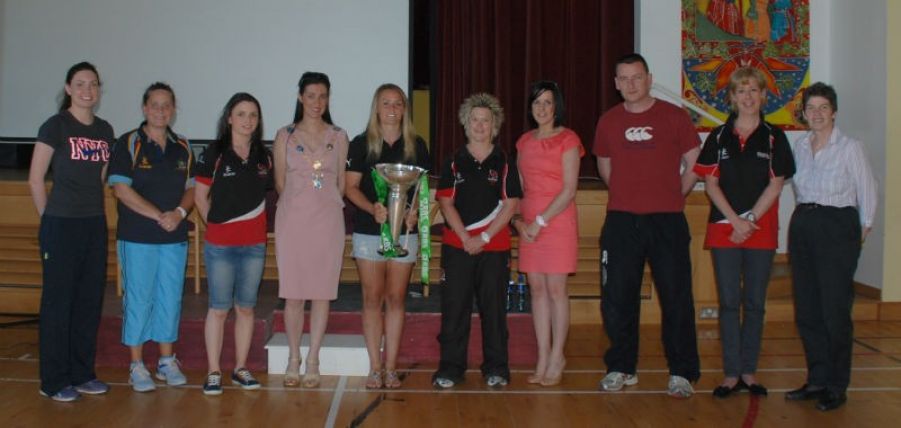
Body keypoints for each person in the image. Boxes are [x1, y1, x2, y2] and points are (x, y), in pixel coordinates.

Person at [592, 53, 702, 397]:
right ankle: (622, 368)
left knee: (676, 298)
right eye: (624, 79)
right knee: (617, 298)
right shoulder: (608, 121)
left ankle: (681, 373)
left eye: (636, 77)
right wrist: (629, 196)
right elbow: (605, 167)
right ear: (616, 84)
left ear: (649, 79)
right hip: (622, 222)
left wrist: (674, 194)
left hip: (667, 222)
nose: (631, 84)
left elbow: (695, 163)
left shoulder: (674, 116)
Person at [693, 67, 794, 398]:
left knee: (754, 303)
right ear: (732, 98)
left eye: (753, 90)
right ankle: (731, 373)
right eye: (741, 91)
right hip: (724, 228)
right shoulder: (718, 136)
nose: (748, 97)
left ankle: (749, 372)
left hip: (760, 229)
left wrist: (748, 220)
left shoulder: (775, 137)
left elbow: (776, 184)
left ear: (763, 95)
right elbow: (711, 184)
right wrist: (735, 222)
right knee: (728, 302)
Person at [785, 82, 877, 411]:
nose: (817, 114)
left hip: (838, 228)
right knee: (807, 309)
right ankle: (817, 379)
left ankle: (837, 385)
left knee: (834, 311)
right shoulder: (800, 146)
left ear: (834, 112)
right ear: (804, 114)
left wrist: (858, 237)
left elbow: (867, 192)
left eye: (823, 108)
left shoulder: (850, 147)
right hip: (804, 225)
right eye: (811, 108)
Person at [28, 61, 114, 401]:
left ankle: (82, 374)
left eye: (93, 84)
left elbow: (101, 178)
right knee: (58, 303)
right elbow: (36, 178)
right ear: (68, 89)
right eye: (80, 84)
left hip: (93, 223)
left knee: (88, 301)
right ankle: (53, 381)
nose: (87, 90)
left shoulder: (105, 130)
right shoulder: (56, 126)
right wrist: (49, 220)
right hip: (60, 224)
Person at [108, 82, 195, 392]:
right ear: (145, 108)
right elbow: (121, 190)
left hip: (174, 237)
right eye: (155, 105)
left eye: (166, 105)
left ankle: (166, 361)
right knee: (139, 298)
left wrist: (179, 214)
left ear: (174, 110)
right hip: (138, 237)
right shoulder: (128, 143)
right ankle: (136, 365)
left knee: (170, 297)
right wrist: (159, 215)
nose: (161, 111)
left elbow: (191, 189)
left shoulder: (183, 146)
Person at [432, 93, 522, 389]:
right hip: (457, 246)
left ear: (494, 126)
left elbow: (511, 205)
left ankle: (496, 368)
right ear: (465, 123)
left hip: (494, 247)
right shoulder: (453, 161)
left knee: (493, 311)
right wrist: (465, 238)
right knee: (454, 309)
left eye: (486, 120)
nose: (480, 125)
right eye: (475, 120)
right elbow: (445, 203)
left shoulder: (505, 161)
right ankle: (450, 369)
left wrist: (483, 237)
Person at [345, 84, 430, 389]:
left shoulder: (416, 145)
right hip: (370, 231)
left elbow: (422, 190)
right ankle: (374, 368)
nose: (392, 109)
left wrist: (414, 213)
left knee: (396, 299)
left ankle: (391, 368)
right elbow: (349, 187)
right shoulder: (360, 144)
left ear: (404, 109)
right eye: (386, 103)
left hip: (404, 234)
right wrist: (372, 209)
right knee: (372, 299)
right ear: (376, 108)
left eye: (398, 103)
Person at [274, 72, 349, 388]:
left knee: (321, 293)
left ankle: (314, 358)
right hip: (293, 221)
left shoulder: (339, 136)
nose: (317, 102)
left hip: (327, 221)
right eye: (311, 96)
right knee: (293, 295)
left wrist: (323, 202)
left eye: (323, 96)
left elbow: (341, 184)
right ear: (300, 98)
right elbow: (280, 183)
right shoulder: (285, 135)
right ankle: (294, 358)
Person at [194, 93, 272, 395]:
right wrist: (216, 228)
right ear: (229, 118)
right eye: (241, 114)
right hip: (221, 246)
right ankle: (213, 371)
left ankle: (240, 368)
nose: (247, 120)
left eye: (253, 115)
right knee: (218, 309)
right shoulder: (214, 153)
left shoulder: (264, 155)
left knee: (246, 308)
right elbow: (200, 197)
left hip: (254, 246)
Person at [512, 81, 583, 386]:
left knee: (556, 290)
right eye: (537, 102)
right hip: (529, 226)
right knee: (537, 290)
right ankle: (542, 356)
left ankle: (557, 355)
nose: (541, 108)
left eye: (547, 102)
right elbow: (518, 189)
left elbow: (569, 190)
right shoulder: (523, 142)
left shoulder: (568, 139)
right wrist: (520, 222)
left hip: (556, 222)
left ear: (557, 107)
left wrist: (540, 222)